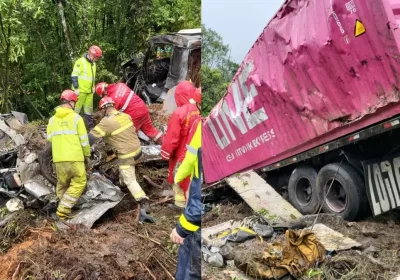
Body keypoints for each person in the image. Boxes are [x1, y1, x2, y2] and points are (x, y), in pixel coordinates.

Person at [89, 96, 151, 212]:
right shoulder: (126, 116)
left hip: (126, 155)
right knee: (125, 173)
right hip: (138, 151)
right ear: (113, 106)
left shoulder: (106, 122)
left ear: (103, 109)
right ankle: (122, 185)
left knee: (130, 180)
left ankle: (143, 200)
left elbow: (90, 138)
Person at [46, 89, 91, 220]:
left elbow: (50, 138)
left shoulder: (52, 120)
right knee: (79, 182)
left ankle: (66, 207)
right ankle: (63, 210)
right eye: (75, 102)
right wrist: (86, 155)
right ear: (71, 102)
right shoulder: (76, 118)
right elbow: (84, 140)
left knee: (62, 184)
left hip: (59, 159)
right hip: (74, 158)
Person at [161, 80, 201, 209]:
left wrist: (165, 153)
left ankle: (180, 205)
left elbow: (172, 138)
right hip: (195, 152)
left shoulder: (179, 113)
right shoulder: (197, 110)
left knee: (178, 177)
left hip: (181, 153)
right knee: (191, 179)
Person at [170, 118, 202, 280]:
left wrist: (181, 228)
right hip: (196, 219)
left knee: (192, 268)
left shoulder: (202, 126)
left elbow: (190, 158)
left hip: (196, 223)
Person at [95, 82, 164, 144]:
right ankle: (166, 144)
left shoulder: (113, 99)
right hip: (143, 108)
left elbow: (112, 116)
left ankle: (132, 152)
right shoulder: (120, 84)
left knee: (127, 135)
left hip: (135, 114)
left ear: (104, 93)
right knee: (150, 130)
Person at [71, 45, 102, 131]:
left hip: (89, 92)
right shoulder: (80, 62)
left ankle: (90, 127)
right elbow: (74, 76)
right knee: (76, 110)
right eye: (96, 57)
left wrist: (93, 87)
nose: (97, 59)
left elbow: (92, 78)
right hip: (80, 91)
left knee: (89, 110)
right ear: (91, 55)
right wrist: (76, 88)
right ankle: (72, 127)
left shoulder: (93, 64)